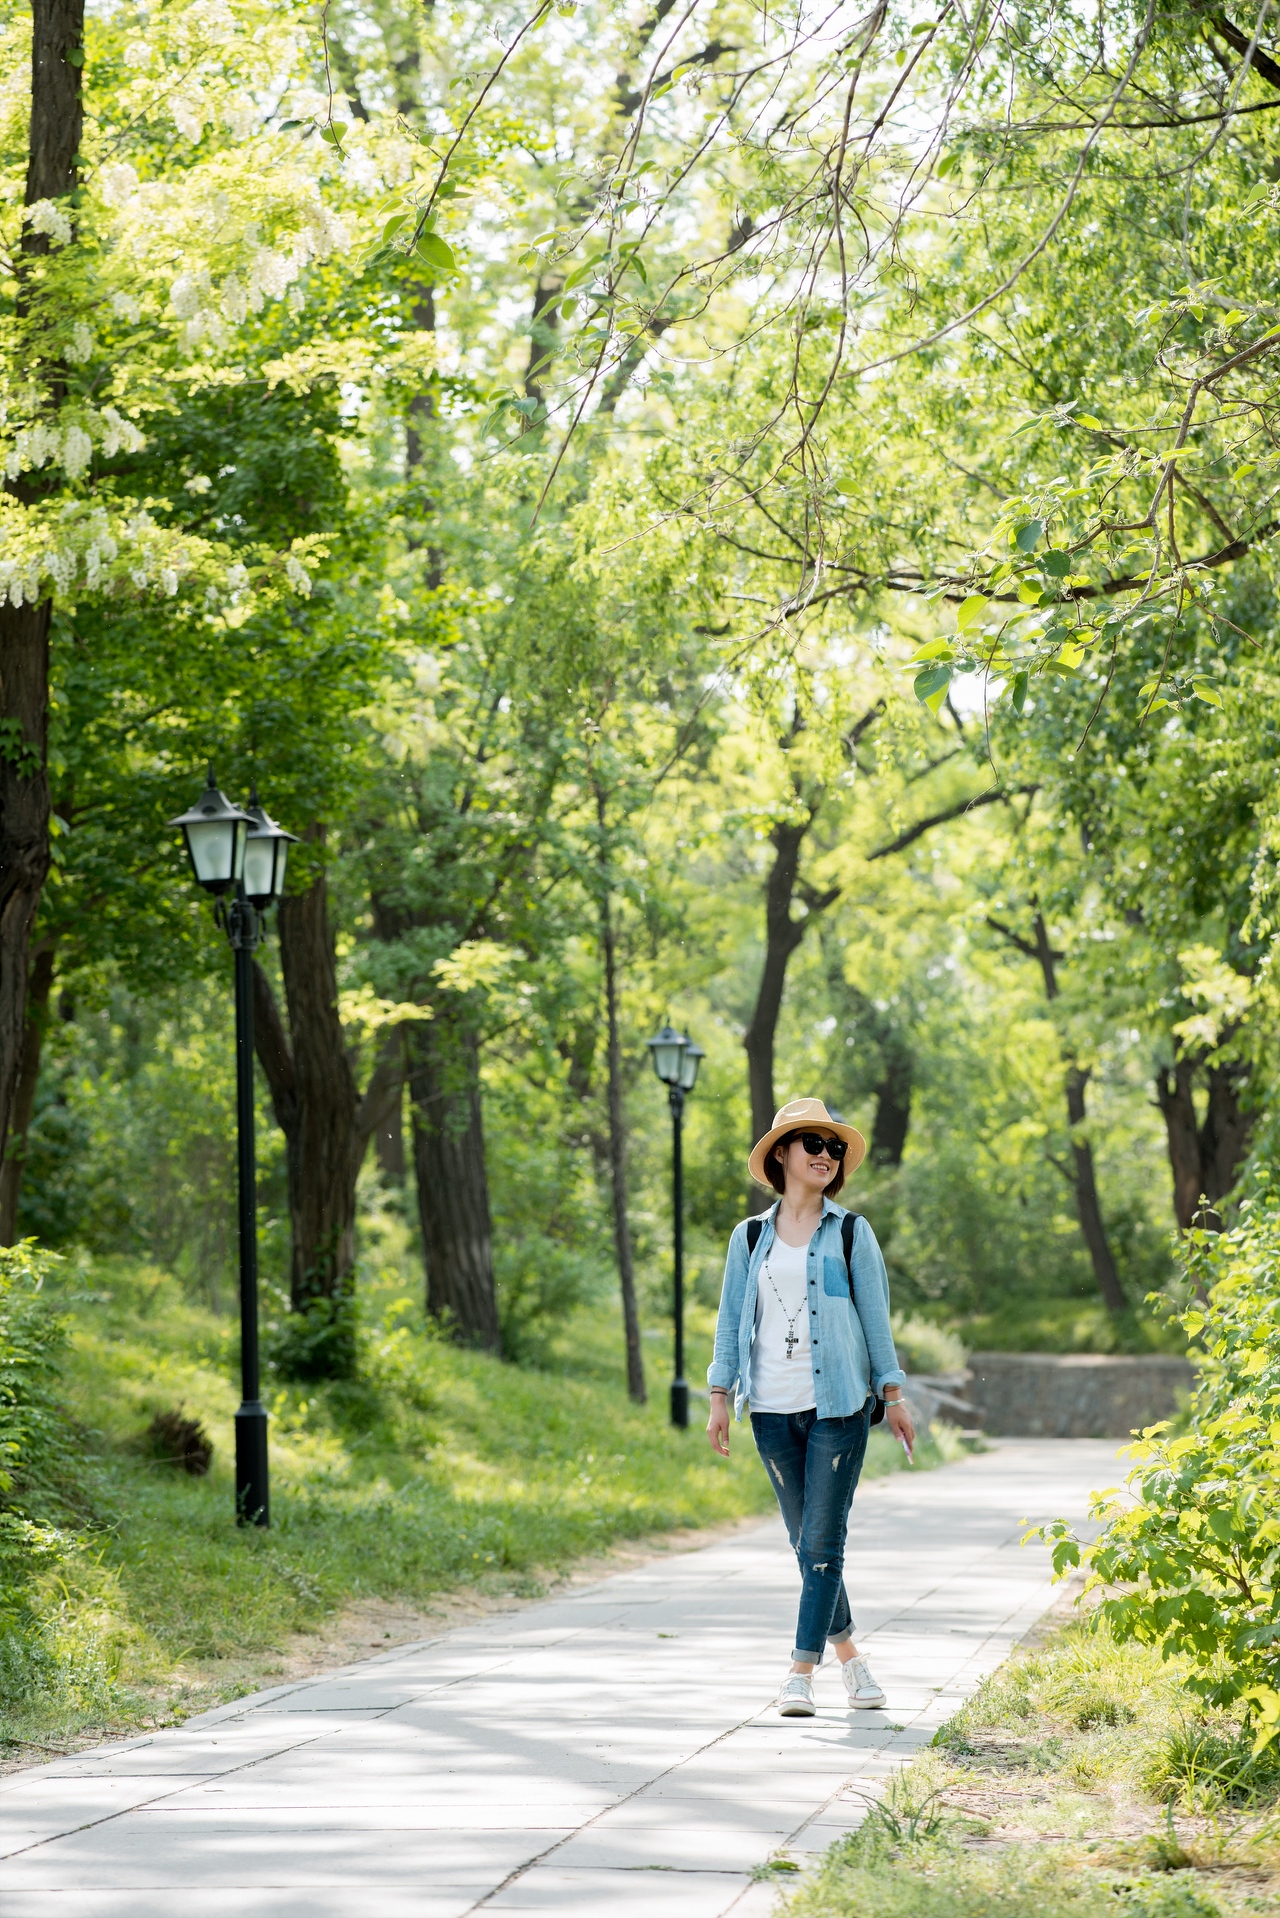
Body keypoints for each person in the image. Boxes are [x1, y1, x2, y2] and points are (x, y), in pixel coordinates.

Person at [706, 1097, 915, 1718]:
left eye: (834, 1148)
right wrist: (720, 1394)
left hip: (840, 1406)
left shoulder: (852, 1232)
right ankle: (853, 1658)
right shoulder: (749, 1237)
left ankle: (800, 1671)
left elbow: (876, 1319)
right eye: (812, 1145)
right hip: (770, 1409)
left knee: (823, 1541)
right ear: (781, 1156)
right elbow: (728, 1323)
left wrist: (894, 1393)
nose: (826, 1155)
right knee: (805, 1542)